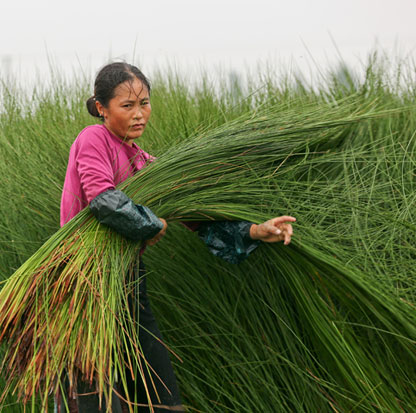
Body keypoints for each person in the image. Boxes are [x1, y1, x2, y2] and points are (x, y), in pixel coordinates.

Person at [57, 62, 296, 413]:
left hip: (126, 281)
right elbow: (104, 201)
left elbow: (197, 219)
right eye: (127, 106)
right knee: (95, 395)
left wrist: (257, 230)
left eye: (145, 103)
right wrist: (154, 225)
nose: (140, 114)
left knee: (162, 393)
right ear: (101, 108)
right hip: (83, 283)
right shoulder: (93, 139)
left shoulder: (144, 162)